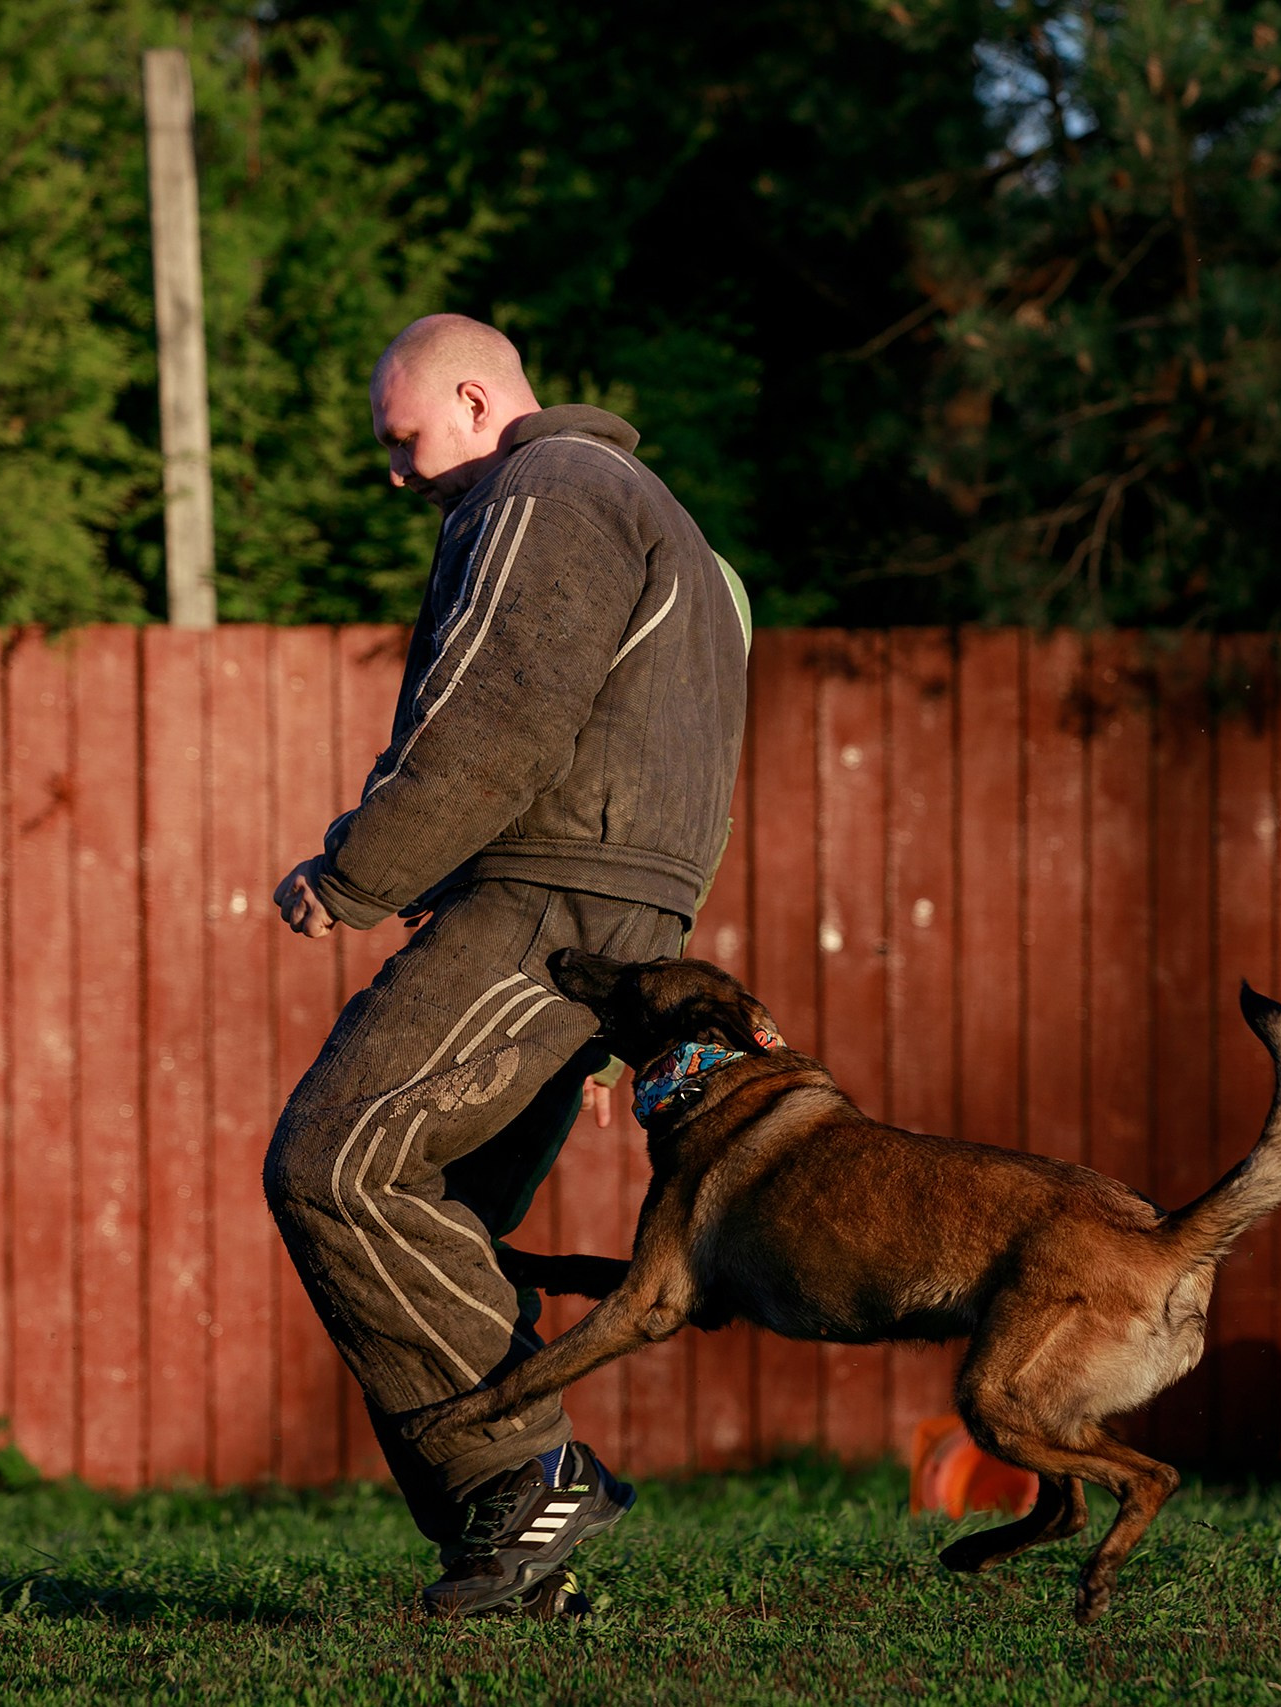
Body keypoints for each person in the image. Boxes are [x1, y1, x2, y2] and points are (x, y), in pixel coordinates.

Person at [265, 314, 749, 1615]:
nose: (396, 472)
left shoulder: (549, 489)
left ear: (477, 402)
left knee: (338, 1158)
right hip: (616, 916)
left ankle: (526, 1476)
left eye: (402, 440)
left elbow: (494, 720)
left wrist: (360, 871)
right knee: (447, 1209)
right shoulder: (666, 523)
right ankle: (511, 1550)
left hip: (550, 900)